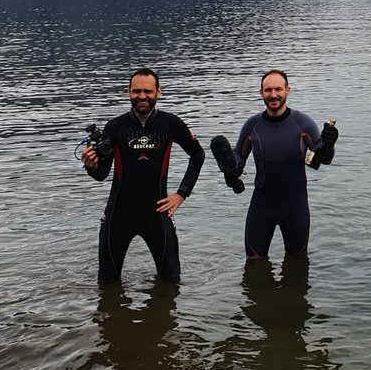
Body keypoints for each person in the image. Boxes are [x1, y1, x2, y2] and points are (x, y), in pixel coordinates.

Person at [82, 67, 205, 284]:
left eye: (147, 91)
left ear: (158, 91)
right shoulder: (115, 127)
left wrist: (181, 194)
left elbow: (198, 155)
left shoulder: (170, 124)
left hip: (157, 214)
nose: (142, 96)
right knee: (107, 285)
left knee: (171, 282)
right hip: (118, 216)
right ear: (128, 92)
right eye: (136, 91)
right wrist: (90, 165)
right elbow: (101, 174)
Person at [230, 69, 338, 259]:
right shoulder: (252, 126)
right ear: (261, 92)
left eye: (278, 89)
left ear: (288, 90)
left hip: (295, 208)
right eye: (268, 90)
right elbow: (239, 156)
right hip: (261, 207)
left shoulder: (303, 124)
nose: (273, 95)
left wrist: (329, 144)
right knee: (254, 265)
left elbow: (322, 161)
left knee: (297, 266)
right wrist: (230, 167)